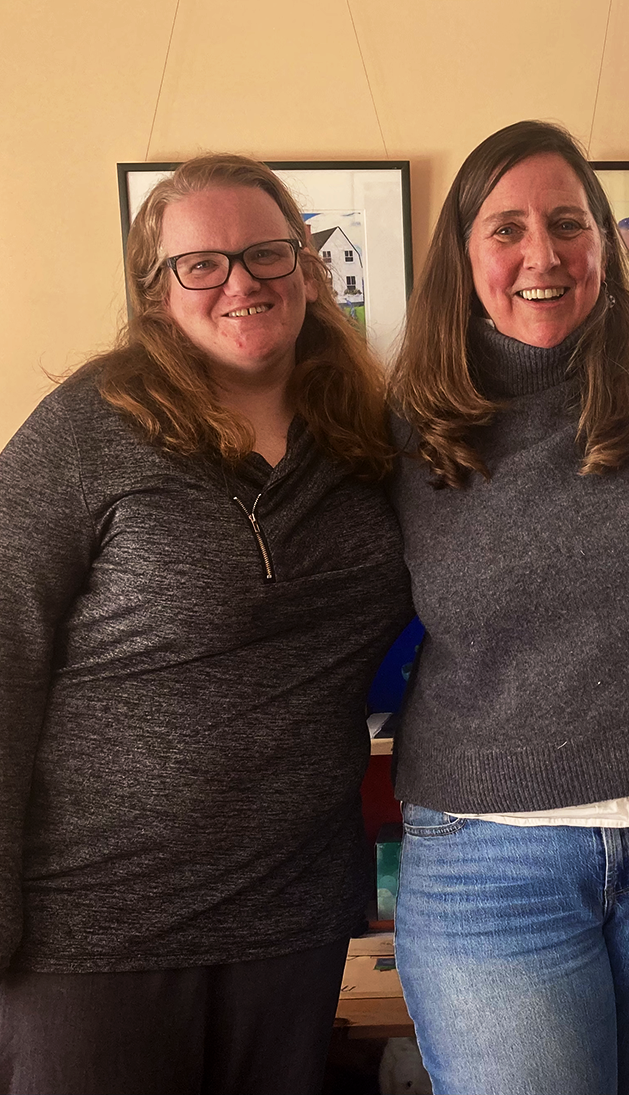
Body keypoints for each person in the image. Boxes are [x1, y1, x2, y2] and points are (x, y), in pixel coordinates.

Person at [0, 154, 413, 1095]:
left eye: (269, 253)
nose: (244, 281)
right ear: (155, 295)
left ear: (308, 268)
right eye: (204, 264)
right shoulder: (85, 430)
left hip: (291, 911)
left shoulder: (369, 437)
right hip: (92, 920)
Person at [388, 120, 629, 1095]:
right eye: (506, 228)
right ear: (462, 254)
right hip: (490, 865)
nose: (542, 254)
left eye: (569, 223)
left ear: (606, 241)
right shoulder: (401, 425)